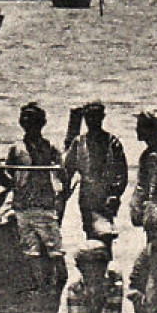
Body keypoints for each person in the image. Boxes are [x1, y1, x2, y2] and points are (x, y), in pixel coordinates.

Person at [0, 102, 67, 293]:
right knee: (31, 252)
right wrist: (1, 174)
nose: (28, 123)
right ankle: (40, 288)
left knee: (55, 250)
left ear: (41, 123)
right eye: (24, 119)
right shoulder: (16, 149)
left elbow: (62, 173)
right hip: (23, 206)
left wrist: (60, 180)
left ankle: (60, 289)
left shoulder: (49, 147)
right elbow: (7, 180)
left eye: (32, 119)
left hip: (44, 206)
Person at [63, 101, 128, 242]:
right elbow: (68, 169)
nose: (92, 121)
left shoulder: (112, 142)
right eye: (89, 117)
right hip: (87, 194)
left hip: (107, 194)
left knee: (106, 233)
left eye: (96, 117)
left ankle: (105, 262)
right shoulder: (79, 142)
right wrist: (63, 190)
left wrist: (116, 193)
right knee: (91, 234)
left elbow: (122, 173)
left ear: (102, 117)